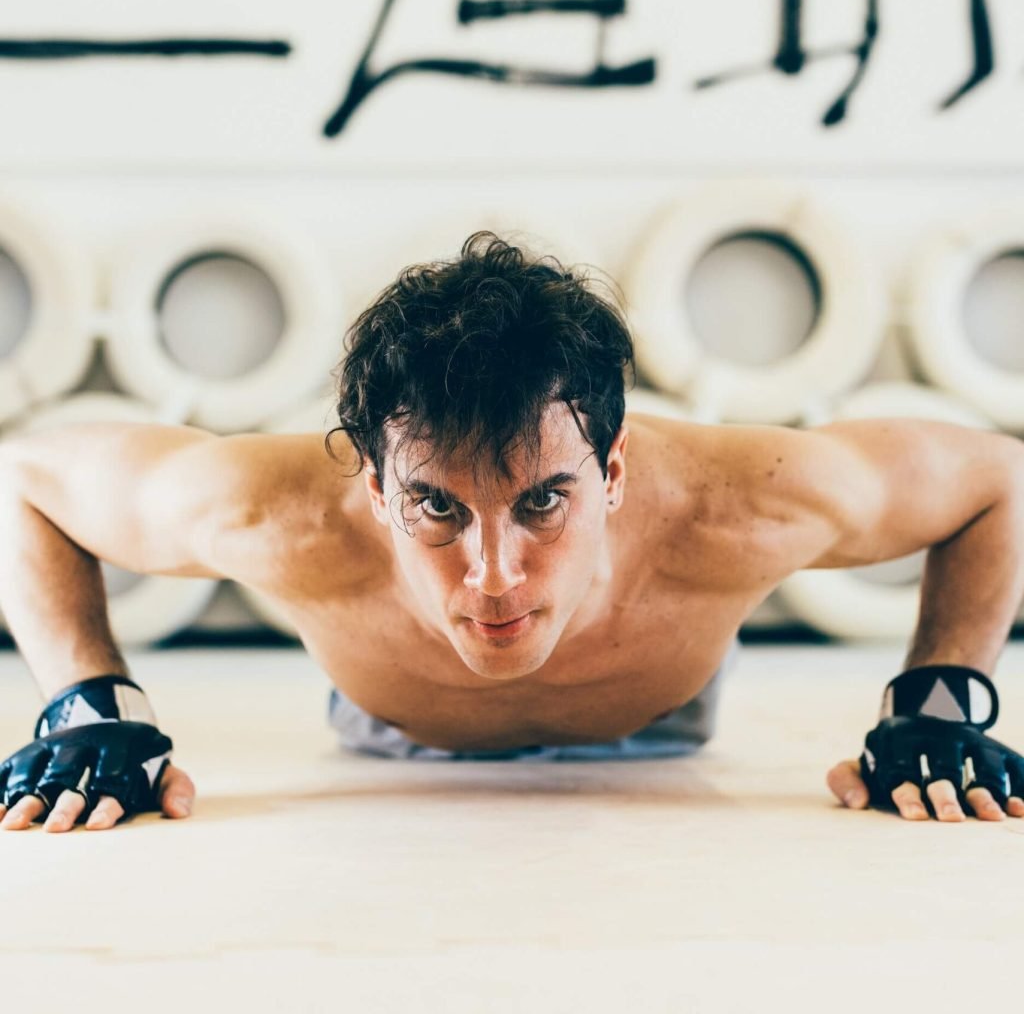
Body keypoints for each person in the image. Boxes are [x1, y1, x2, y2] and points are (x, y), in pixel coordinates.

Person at [1, 231, 1023, 834]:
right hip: (396, 724)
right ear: (370, 485)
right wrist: (89, 708)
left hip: (662, 719)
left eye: (542, 502)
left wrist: (940, 702)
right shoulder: (266, 509)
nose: (493, 574)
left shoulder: (740, 502)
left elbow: (995, 478)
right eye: (436, 506)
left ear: (613, 473)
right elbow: (28, 484)